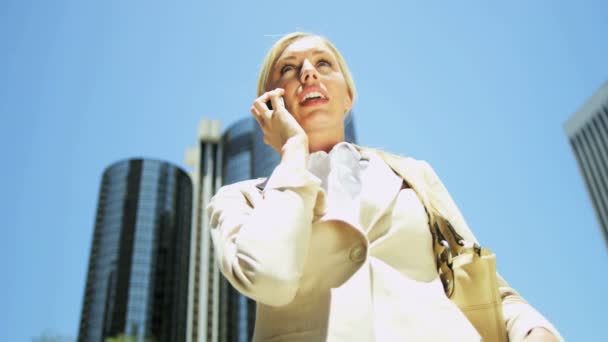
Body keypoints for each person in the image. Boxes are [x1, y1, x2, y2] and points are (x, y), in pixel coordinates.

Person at [207, 32, 562, 342]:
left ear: (348, 97)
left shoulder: (412, 175)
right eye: (289, 68)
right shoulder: (241, 199)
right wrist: (294, 151)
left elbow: (479, 278)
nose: (308, 73)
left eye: (323, 63)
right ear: (270, 105)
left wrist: (535, 330)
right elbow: (270, 278)